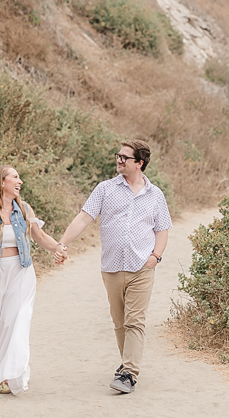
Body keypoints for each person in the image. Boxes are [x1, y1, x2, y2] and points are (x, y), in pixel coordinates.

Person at [54, 140, 172, 394]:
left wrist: (155, 257)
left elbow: (162, 229)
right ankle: (126, 365)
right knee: (120, 323)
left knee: (135, 322)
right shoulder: (105, 189)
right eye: (118, 156)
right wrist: (61, 244)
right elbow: (84, 217)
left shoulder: (155, 195)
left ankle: (129, 373)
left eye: (124, 157)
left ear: (139, 163)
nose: (119, 160)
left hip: (142, 266)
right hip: (112, 267)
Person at [0, 165, 62, 395]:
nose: (20, 182)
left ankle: (7, 376)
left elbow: (40, 236)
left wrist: (58, 248)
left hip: (21, 273)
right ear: (2, 182)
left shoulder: (24, 208)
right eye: (15, 177)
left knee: (14, 321)